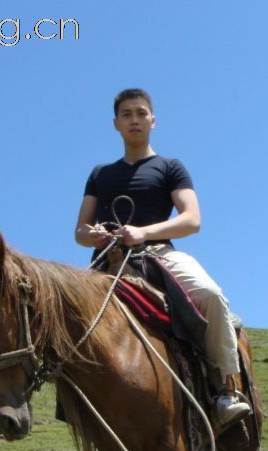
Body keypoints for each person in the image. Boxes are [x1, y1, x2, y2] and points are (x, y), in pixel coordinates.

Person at [74, 88, 250, 426]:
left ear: (153, 120)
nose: (134, 120)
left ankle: (228, 389)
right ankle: (86, 415)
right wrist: (93, 235)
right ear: (115, 124)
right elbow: (79, 232)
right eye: (126, 114)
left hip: (158, 253)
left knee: (211, 295)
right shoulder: (100, 174)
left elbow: (192, 220)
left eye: (141, 113)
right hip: (107, 261)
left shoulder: (170, 167)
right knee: (72, 322)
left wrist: (143, 232)